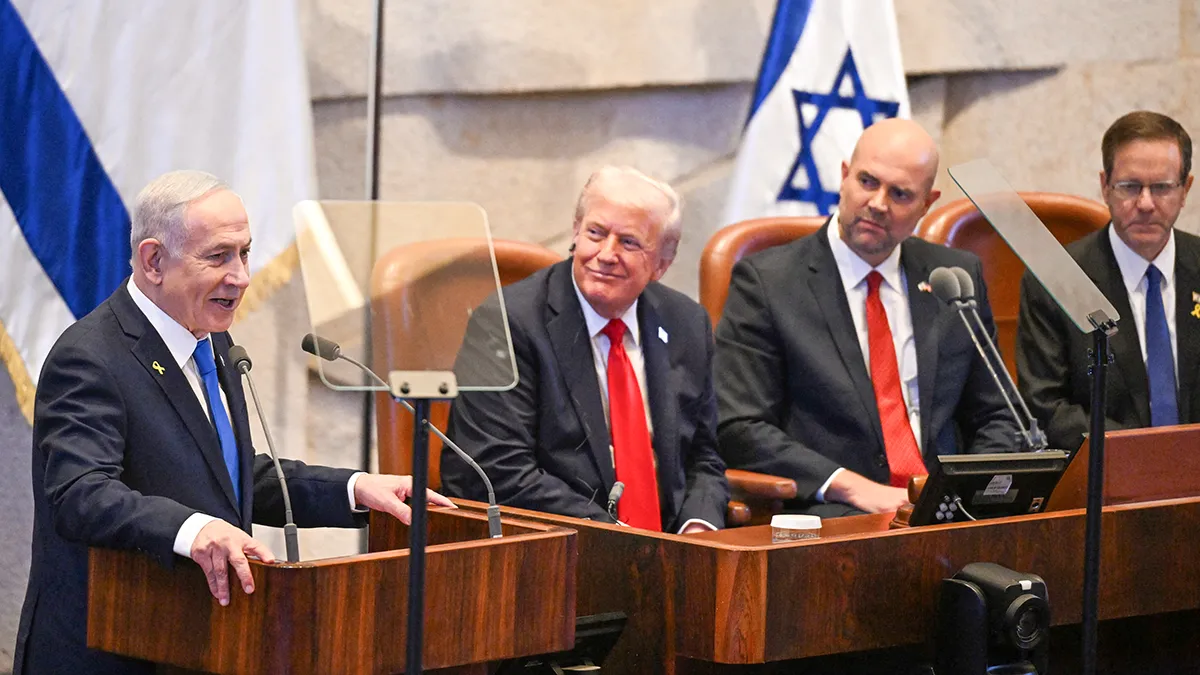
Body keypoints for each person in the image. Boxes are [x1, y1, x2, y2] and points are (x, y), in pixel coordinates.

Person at [13, 170, 454, 675]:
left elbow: (235, 478)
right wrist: (193, 530)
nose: (242, 276)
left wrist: (355, 489)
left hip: (201, 643)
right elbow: (80, 495)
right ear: (153, 260)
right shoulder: (90, 357)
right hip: (110, 649)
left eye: (244, 253)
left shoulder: (211, 342)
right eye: (218, 256)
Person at [714, 119, 1020, 517]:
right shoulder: (768, 283)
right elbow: (738, 426)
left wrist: (967, 491)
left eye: (900, 194)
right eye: (868, 182)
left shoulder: (952, 279)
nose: (878, 203)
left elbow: (998, 413)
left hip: (945, 510)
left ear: (927, 204)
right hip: (835, 510)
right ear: (844, 177)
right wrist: (850, 487)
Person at [443, 166, 729, 533]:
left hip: (672, 549)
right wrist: (619, 539)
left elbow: (703, 457)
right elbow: (497, 469)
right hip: (555, 545)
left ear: (662, 263)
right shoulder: (508, 321)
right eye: (596, 233)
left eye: (629, 242)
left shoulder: (685, 322)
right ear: (576, 232)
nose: (606, 254)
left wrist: (698, 526)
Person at [1017, 111, 1200, 451]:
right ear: (1105, 186)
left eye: (1161, 187)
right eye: (1130, 187)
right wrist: (1146, 456)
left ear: (1185, 189)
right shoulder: (1057, 278)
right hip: (1107, 476)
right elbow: (1045, 406)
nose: (1145, 204)